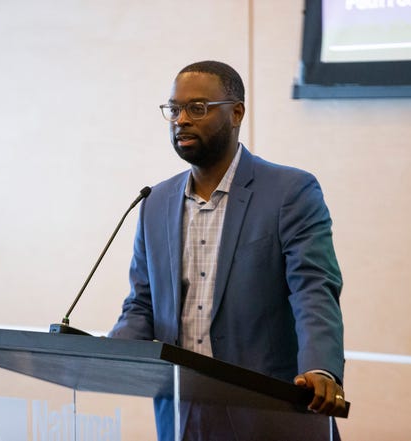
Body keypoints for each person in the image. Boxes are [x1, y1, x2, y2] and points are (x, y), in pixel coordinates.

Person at [108, 61, 346, 440]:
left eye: (197, 108)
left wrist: (321, 369)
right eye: (174, 109)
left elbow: (314, 290)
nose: (181, 120)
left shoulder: (289, 191)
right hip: (183, 416)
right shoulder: (155, 202)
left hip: (271, 413)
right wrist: (106, 358)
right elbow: (142, 303)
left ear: (236, 113)